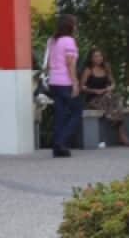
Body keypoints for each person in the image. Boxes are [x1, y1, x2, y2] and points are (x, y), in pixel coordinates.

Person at [80, 48, 129, 147]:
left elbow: (113, 83)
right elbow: (82, 87)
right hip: (93, 98)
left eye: (100, 56)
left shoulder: (106, 67)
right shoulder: (88, 70)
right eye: (96, 56)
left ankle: (119, 132)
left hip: (106, 96)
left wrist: (109, 88)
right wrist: (94, 91)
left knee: (116, 98)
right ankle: (122, 136)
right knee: (113, 105)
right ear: (91, 58)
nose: (98, 58)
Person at [48, 14, 81, 157]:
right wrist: (75, 83)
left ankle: (57, 148)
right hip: (65, 82)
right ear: (70, 26)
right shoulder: (69, 41)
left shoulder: (52, 41)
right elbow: (70, 64)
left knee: (60, 115)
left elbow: (49, 62)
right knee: (76, 112)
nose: (76, 26)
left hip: (53, 81)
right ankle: (61, 142)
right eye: (75, 24)